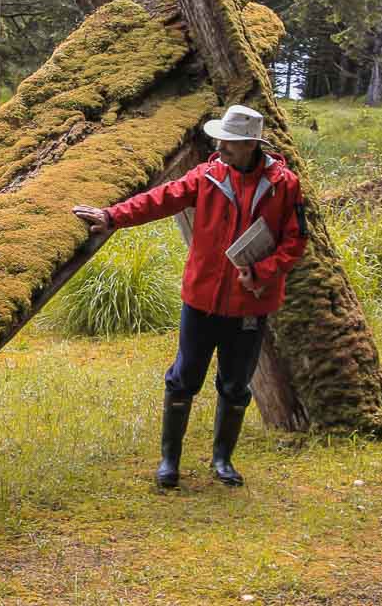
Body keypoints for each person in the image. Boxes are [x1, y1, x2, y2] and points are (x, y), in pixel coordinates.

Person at [72, 104, 308, 489]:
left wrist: (262, 272)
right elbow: (161, 198)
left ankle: (222, 460)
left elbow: (296, 241)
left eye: (229, 142)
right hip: (200, 301)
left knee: (235, 385)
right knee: (184, 379)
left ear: (250, 144)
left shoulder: (285, 185)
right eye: (221, 139)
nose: (220, 145)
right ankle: (170, 461)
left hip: (250, 307)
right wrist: (112, 216)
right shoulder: (208, 175)